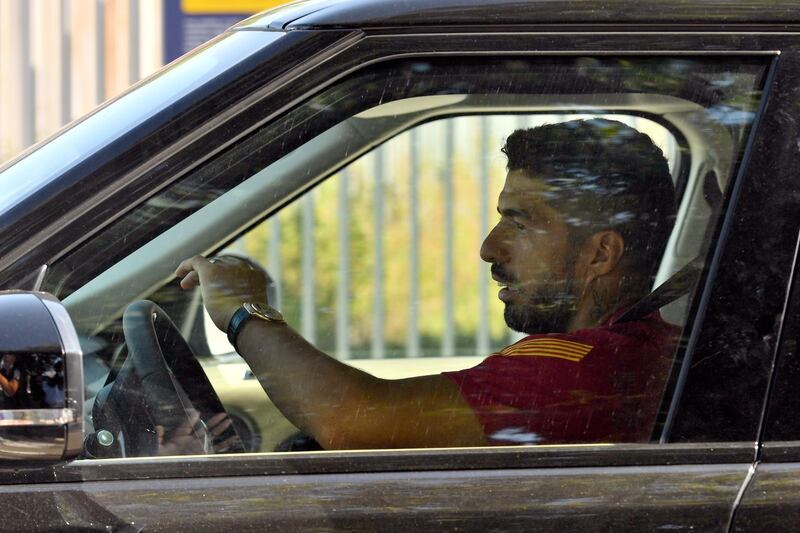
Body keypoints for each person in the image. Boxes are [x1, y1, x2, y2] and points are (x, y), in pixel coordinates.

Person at [176, 118, 679, 449]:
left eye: (521, 223)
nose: (490, 247)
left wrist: (244, 311)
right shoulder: (626, 350)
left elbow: (352, 421)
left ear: (600, 254)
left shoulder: (589, 369)